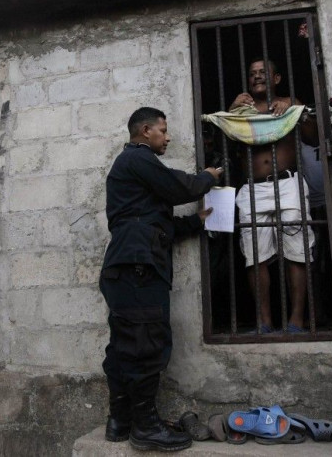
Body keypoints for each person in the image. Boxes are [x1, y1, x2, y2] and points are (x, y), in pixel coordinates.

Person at [100, 107, 223, 451]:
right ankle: (146, 427)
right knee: (145, 345)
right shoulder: (138, 158)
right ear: (144, 131)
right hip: (138, 267)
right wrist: (208, 177)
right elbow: (177, 187)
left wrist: (196, 222)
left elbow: (157, 224)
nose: (167, 137)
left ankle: (120, 421)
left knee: (125, 347)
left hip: (128, 265)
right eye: (163, 131)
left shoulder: (135, 173)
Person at [229, 58, 319, 333]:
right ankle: (264, 322)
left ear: (277, 78)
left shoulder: (289, 102)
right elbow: (225, 144)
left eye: (263, 73)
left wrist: (298, 110)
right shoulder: (240, 108)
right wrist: (232, 112)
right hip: (253, 188)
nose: (257, 77)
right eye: (252, 74)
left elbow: (314, 138)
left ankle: (296, 320)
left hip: (287, 183)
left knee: (297, 251)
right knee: (254, 256)